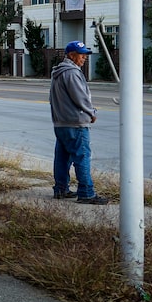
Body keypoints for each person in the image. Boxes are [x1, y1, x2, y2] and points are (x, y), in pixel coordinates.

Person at [49, 40, 109, 205]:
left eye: (85, 55)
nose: (84, 58)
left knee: (62, 158)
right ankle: (86, 193)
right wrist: (91, 112)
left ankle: (61, 189)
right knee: (82, 157)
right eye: (81, 55)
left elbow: (52, 99)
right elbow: (80, 97)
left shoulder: (58, 72)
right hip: (76, 123)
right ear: (71, 55)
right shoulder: (72, 73)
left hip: (61, 123)